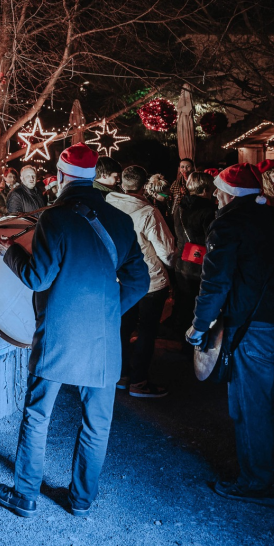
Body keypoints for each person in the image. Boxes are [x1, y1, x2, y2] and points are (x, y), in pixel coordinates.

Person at [0, 144, 149, 518]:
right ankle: (81, 501)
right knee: (97, 423)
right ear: (93, 177)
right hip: (104, 338)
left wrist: (9, 252)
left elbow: (38, 277)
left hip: (59, 335)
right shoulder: (119, 219)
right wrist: (108, 312)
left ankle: (25, 495)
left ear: (62, 176)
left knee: (38, 415)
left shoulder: (55, 217)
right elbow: (139, 281)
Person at [185, 164, 274, 507]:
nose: (215, 195)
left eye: (218, 190)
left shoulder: (229, 223)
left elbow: (215, 282)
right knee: (272, 401)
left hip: (253, 327)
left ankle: (257, 483)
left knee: (250, 405)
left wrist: (199, 325)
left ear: (229, 193)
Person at [106, 165, 175, 398]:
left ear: (122, 183)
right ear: (144, 186)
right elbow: (166, 251)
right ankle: (139, 382)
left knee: (123, 327)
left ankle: (122, 375)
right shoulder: (148, 212)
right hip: (149, 279)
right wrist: (172, 265)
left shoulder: (108, 205)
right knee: (147, 330)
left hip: (120, 276)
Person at [168, 171, 216, 336]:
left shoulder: (180, 207)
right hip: (201, 264)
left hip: (183, 261)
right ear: (206, 188)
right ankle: (194, 340)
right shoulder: (209, 210)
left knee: (184, 303)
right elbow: (212, 239)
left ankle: (180, 335)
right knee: (198, 305)